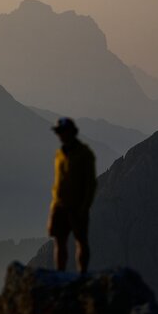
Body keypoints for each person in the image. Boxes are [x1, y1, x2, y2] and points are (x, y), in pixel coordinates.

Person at [47, 117, 97, 273]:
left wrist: (85, 206)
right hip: (59, 205)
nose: (60, 135)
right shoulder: (59, 154)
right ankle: (60, 272)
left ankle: (82, 273)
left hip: (77, 206)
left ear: (71, 133)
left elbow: (90, 183)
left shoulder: (84, 154)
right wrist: (54, 203)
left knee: (81, 240)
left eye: (62, 132)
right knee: (59, 241)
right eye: (58, 132)